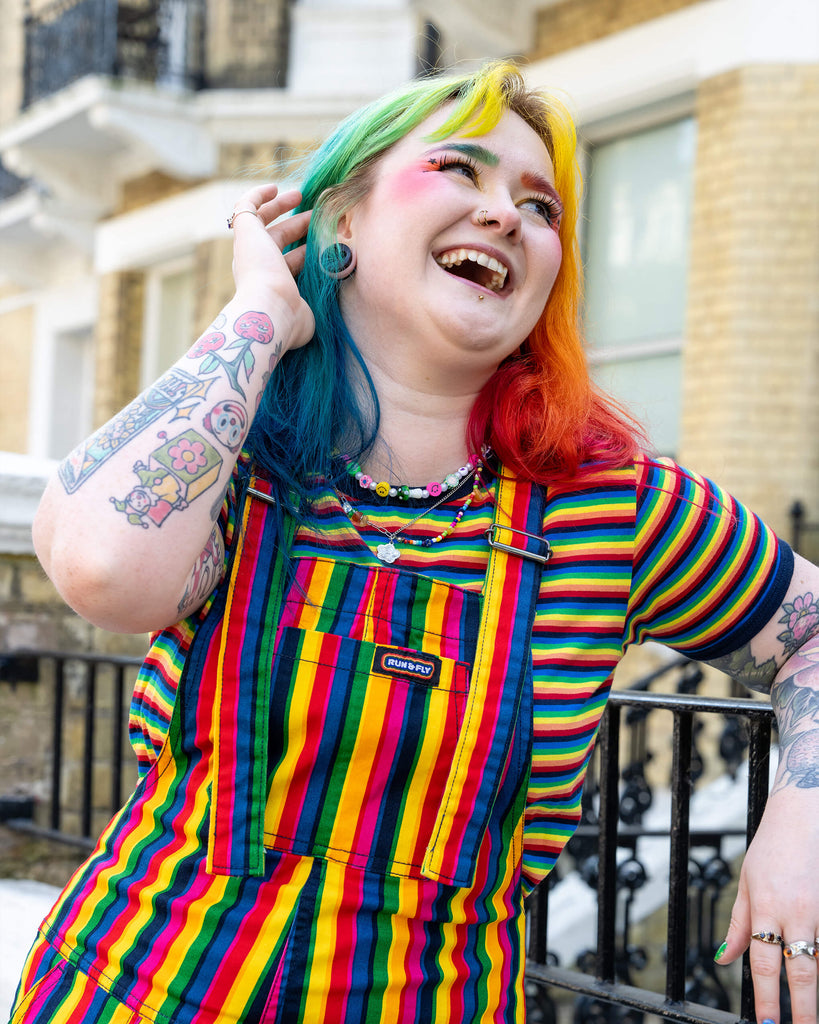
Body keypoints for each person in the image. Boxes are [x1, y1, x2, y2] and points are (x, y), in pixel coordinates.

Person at [8, 61, 819, 1024]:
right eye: (458, 170)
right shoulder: (230, 455)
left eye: (540, 205)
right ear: (341, 221)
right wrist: (260, 313)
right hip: (132, 995)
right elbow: (102, 568)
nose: (506, 215)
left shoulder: (612, 505)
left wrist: (801, 813)